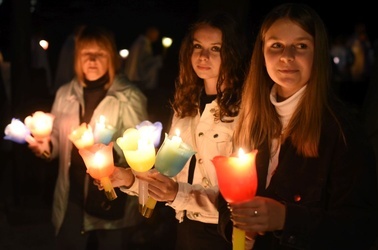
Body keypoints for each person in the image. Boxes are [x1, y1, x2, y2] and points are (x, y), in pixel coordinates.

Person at [217, 3, 378, 250]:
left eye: (301, 46)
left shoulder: (341, 131)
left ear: (318, 53)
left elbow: (360, 229)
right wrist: (237, 229)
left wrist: (286, 218)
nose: (287, 56)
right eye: (276, 45)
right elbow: (227, 198)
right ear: (262, 53)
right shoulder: (251, 119)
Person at [104, 11, 249, 250]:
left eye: (215, 48)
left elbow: (240, 194)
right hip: (186, 228)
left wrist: (177, 194)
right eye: (197, 46)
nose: (203, 56)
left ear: (232, 53)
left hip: (225, 233)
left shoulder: (245, 111)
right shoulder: (186, 107)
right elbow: (169, 173)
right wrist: (130, 179)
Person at [28, 25, 148, 250]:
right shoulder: (66, 93)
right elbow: (56, 137)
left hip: (111, 200)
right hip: (72, 196)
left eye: (100, 54)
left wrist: (103, 154)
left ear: (111, 58)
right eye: (86, 54)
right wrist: (46, 145)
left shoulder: (128, 97)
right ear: (77, 58)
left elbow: (141, 149)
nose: (92, 60)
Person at [124, 25, 163, 91]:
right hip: (136, 77)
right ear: (149, 33)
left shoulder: (143, 42)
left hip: (134, 76)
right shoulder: (142, 43)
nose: (156, 37)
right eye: (155, 34)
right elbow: (143, 61)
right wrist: (157, 60)